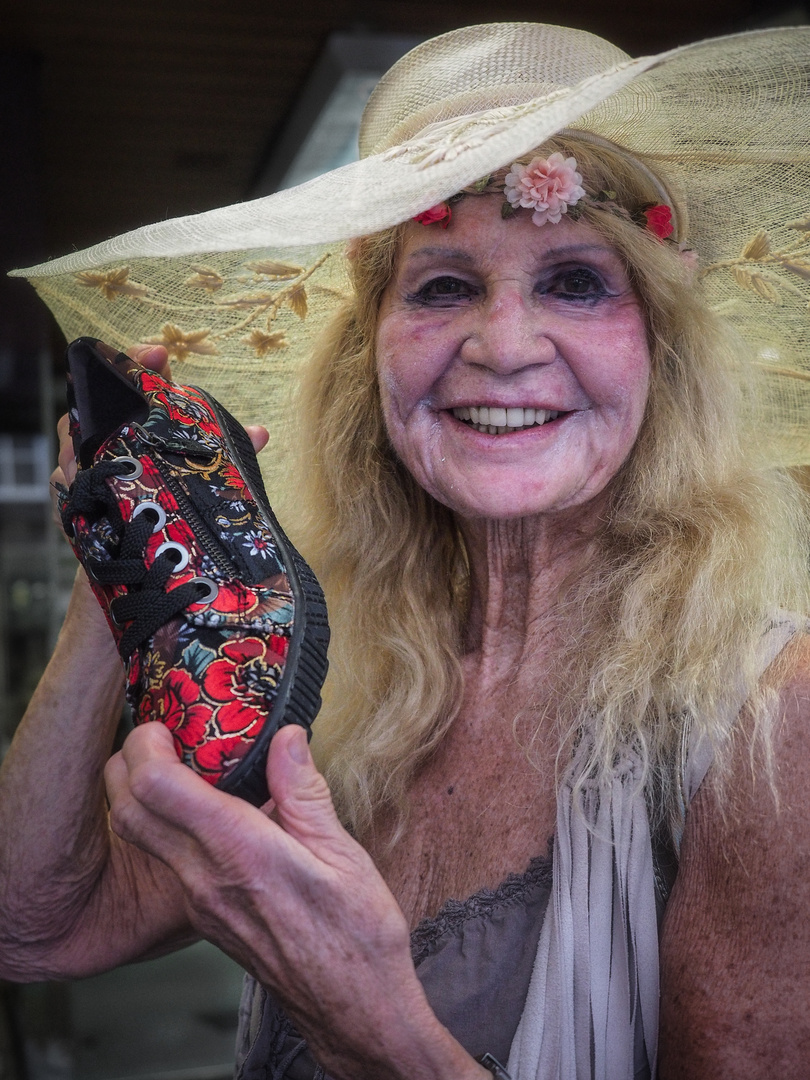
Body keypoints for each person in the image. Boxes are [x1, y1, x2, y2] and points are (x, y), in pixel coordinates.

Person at [3, 21, 810, 1080]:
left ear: (660, 350)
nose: (504, 345)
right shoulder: (333, 679)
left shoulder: (769, 723)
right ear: (369, 349)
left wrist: (375, 1032)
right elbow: (35, 926)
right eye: (441, 286)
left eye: (575, 282)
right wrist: (120, 556)